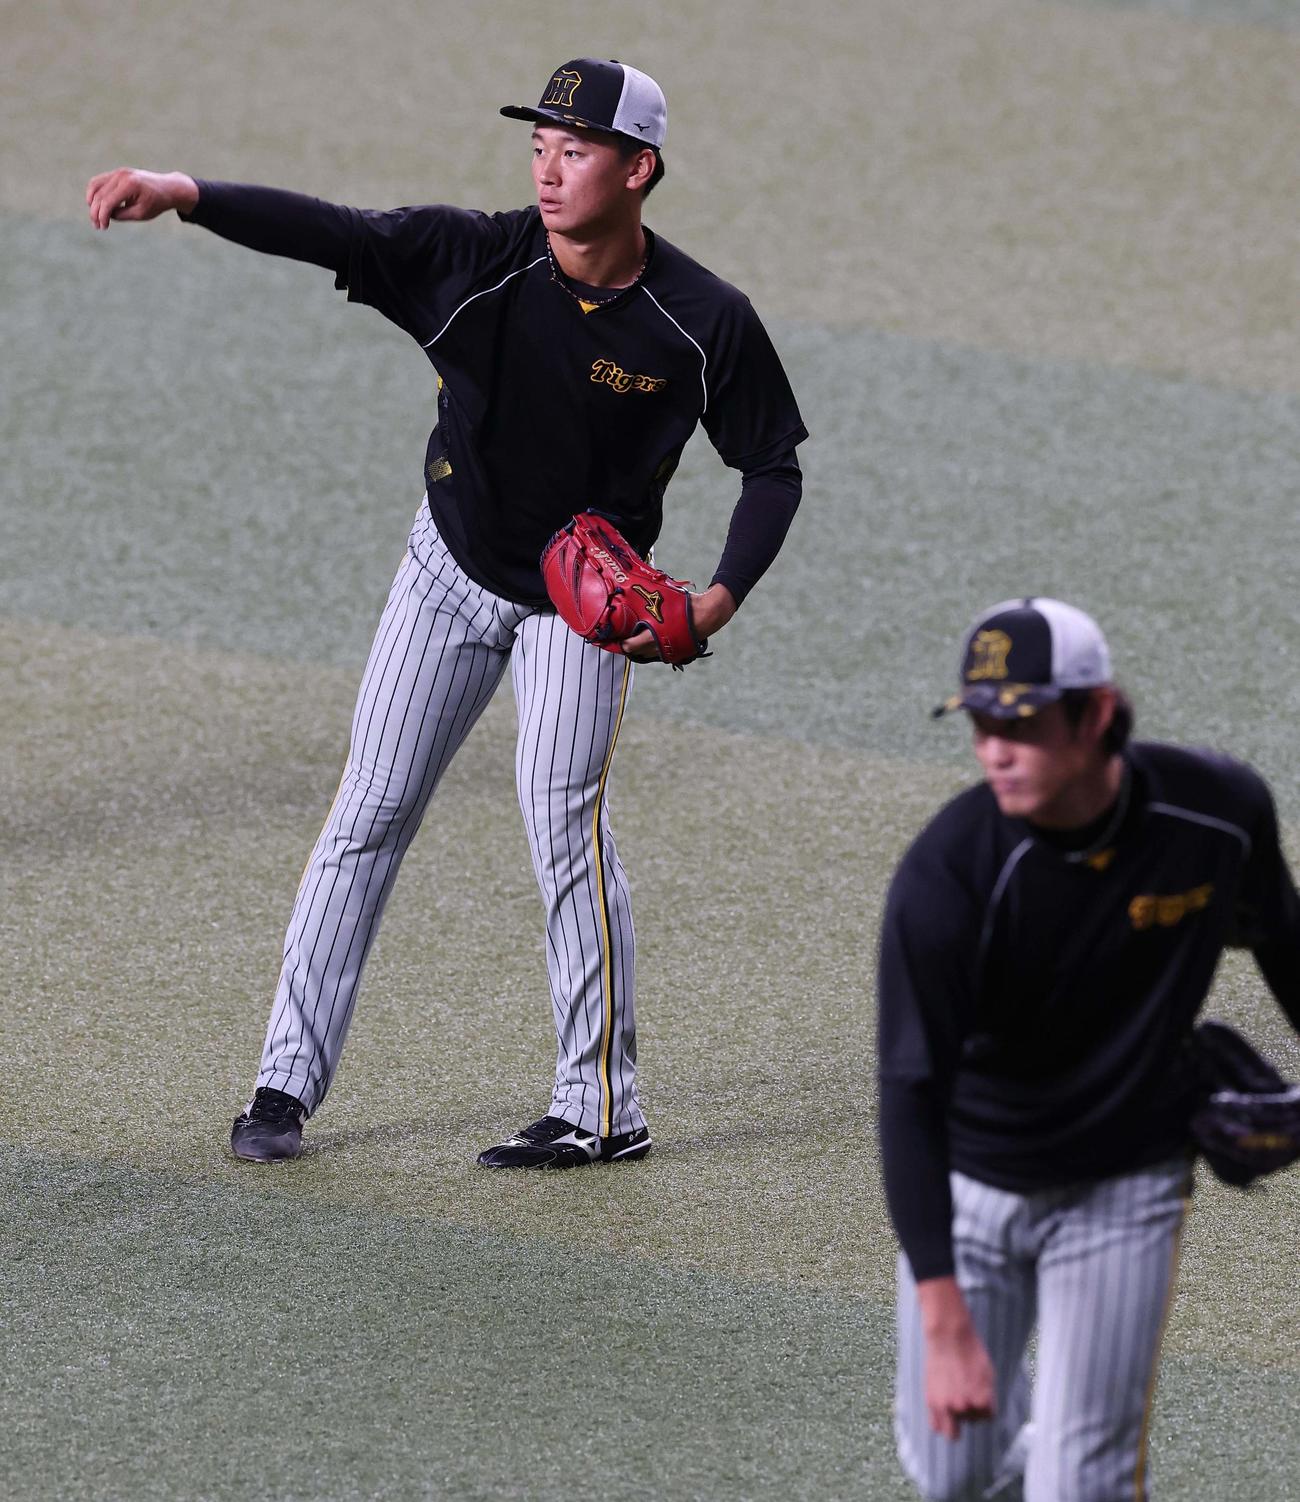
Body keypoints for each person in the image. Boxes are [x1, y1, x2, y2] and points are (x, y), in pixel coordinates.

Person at [86, 58, 808, 1169]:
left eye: (576, 150)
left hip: (581, 613)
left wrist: (716, 599)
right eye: (540, 146)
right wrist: (187, 193)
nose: (549, 169)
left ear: (638, 169)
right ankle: (282, 1086)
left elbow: (771, 466)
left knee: (563, 826)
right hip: (448, 568)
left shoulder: (702, 319)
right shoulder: (473, 260)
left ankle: (601, 1109)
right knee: (367, 812)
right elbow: (334, 232)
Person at [875, 597, 1300, 1500]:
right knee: (952, 1472)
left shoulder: (1216, 816)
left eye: (1021, 724)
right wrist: (945, 1324)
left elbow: (1287, 947)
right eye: (981, 724)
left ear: (1096, 713)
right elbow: (909, 1092)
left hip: (1126, 1186)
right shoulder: (949, 878)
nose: (995, 750)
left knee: (1081, 1486)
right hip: (973, 1188)